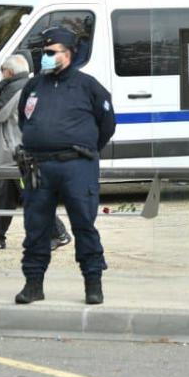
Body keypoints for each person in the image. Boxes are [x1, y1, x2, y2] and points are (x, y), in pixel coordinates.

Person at [14, 27, 115, 305]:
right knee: (36, 228)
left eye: (50, 53)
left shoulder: (88, 85)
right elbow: (25, 120)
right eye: (44, 52)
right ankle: (33, 284)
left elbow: (106, 125)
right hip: (39, 167)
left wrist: (85, 147)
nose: (44, 57)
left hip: (76, 166)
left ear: (68, 54)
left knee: (84, 225)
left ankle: (93, 284)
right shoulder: (34, 86)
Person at [0, 54, 71, 251]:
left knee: (33, 196)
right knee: (5, 198)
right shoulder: (30, 86)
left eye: (2, 71)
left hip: (16, 154)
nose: (1, 75)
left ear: (9, 72)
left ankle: (58, 233)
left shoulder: (14, 89)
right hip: (17, 152)